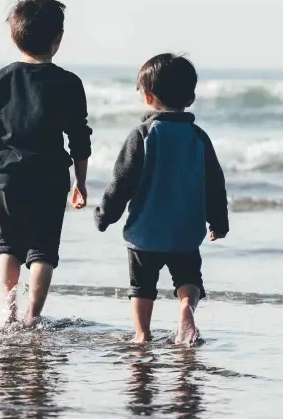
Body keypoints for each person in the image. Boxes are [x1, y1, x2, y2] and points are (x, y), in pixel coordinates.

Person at [0, 0, 92, 325]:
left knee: (8, 246)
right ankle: (32, 316)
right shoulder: (69, 83)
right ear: (58, 39)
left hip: (8, 176)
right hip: (50, 177)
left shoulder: (1, 79)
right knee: (43, 250)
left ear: (13, 36)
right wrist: (81, 180)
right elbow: (79, 137)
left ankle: (6, 315)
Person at [95, 53, 229, 344]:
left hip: (146, 232)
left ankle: (142, 335)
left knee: (141, 287)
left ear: (147, 97)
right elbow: (214, 184)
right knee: (188, 279)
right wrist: (219, 221)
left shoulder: (142, 134)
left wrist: (105, 215)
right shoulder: (198, 137)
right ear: (190, 98)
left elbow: (122, 181)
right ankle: (185, 309)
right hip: (185, 231)